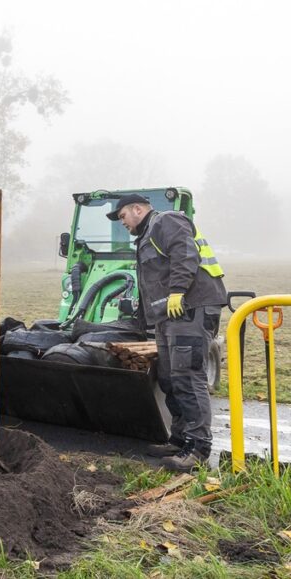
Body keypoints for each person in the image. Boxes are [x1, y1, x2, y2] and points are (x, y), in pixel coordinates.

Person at [108, 194, 227, 472]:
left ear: (138, 209)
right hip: (169, 315)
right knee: (170, 376)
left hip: (190, 307)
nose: (122, 222)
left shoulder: (167, 221)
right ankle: (180, 439)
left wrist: (177, 291)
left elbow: (185, 253)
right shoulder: (147, 234)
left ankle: (198, 448)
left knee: (187, 375)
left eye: (123, 216)